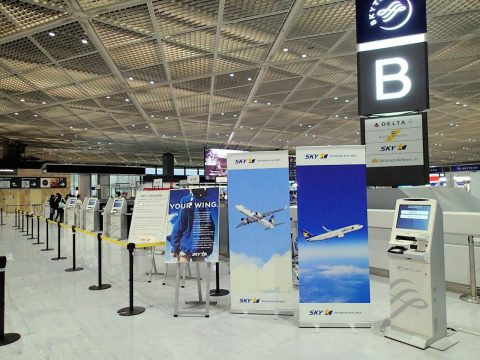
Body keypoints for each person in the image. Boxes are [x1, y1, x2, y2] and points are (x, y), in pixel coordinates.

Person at [169, 188, 216, 263]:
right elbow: (210, 226)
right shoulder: (205, 202)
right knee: (199, 271)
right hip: (200, 245)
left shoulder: (185, 200)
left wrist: (174, 246)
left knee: (183, 271)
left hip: (186, 244)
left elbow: (180, 223)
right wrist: (208, 248)